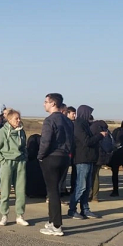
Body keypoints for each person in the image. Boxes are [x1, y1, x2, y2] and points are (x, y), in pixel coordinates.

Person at [38, 93, 74, 236]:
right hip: (65, 157)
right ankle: (52, 221)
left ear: (53, 104)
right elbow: (71, 141)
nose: (44, 104)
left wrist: (40, 156)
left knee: (52, 191)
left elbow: (45, 141)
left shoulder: (49, 121)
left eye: (46, 101)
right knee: (55, 190)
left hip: (52, 157)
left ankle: (57, 225)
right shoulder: (68, 121)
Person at [0, 109, 29, 226]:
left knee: (21, 191)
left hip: (20, 163)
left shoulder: (21, 132)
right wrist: (3, 161)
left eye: (19, 118)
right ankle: (4, 215)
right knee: (5, 191)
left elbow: (23, 147)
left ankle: (20, 215)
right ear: (9, 119)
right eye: (16, 119)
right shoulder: (2, 132)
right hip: (7, 163)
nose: (19, 120)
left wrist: (24, 157)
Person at [69, 105, 106, 219]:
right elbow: (86, 141)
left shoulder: (84, 124)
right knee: (81, 185)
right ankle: (72, 209)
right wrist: (100, 136)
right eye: (89, 113)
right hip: (82, 159)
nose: (90, 115)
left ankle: (85, 209)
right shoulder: (79, 125)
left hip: (89, 159)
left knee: (87, 186)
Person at [90, 119, 113, 202]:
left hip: (95, 157)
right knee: (96, 175)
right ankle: (94, 195)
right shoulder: (106, 131)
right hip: (102, 157)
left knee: (93, 176)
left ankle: (93, 196)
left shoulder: (94, 130)